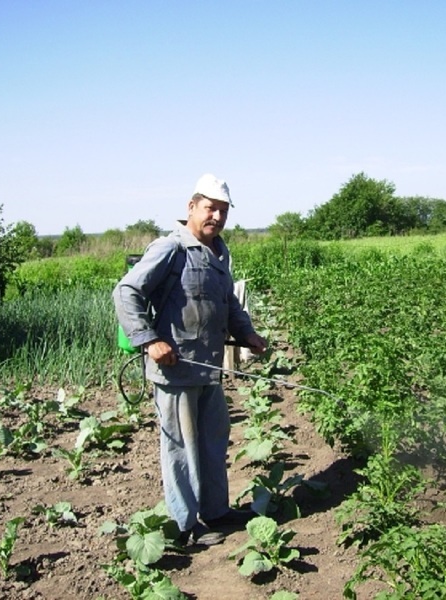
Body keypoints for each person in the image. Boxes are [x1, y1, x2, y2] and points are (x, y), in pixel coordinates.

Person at [112, 173, 267, 546]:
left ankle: (216, 511)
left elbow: (227, 301)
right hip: (176, 369)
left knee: (214, 440)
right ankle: (185, 526)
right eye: (210, 208)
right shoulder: (171, 248)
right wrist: (149, 340)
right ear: (192, 207)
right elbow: (127, 291)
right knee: (181, 448)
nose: (216, 216)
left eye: (223, 211)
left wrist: (247, 333)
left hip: (209, 369)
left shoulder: (218, 252)